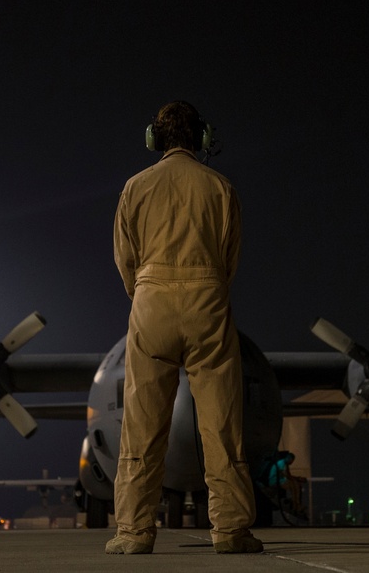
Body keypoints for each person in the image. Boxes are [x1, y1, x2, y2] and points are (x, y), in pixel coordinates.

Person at [105, 101, 262, 556]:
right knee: (221, 422)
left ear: (153, 138)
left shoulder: (134, 187)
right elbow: (229, 258)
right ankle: (231, 529)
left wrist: (148, 293)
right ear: (203, 138)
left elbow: (124, 259)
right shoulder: (220, 186)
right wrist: (205, 287)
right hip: (207, 300)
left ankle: (134, 532)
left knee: (141, 422)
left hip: (150, 301)